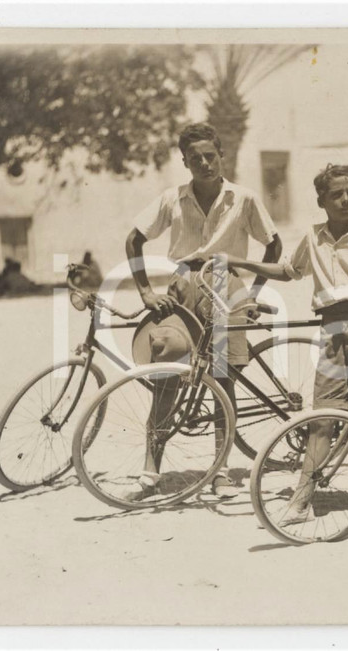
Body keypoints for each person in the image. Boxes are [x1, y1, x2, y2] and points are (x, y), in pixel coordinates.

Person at [224, 163, 348, 524]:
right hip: (333, 333)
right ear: (321, 200)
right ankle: (302, 500)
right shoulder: (313, 237)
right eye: (336, 194)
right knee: (321, 419)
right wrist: (242, 263)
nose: (345, 200)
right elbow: (290, 271)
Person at [124, 122, 282, 500]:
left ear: (222, 156)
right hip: (183, 287)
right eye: (196, 158)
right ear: (185, 162)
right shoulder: (171, 199)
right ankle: (149, 473)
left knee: (222, 380)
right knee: (166, 371)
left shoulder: (242, 199)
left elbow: (273, 246)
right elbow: (133, 239)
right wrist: (146, 291)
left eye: (211, 156)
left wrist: (253, 293)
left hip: (227, 287)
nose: (205, 163)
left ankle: (221, 471)